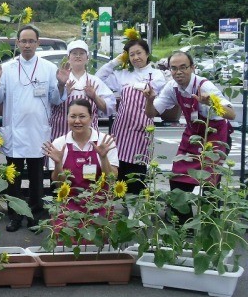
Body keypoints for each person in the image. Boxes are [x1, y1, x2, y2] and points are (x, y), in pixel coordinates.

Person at [0, 24, 70, 231]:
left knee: (36, 178)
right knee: (12, 179)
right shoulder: (6, 68)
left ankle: (35, 214)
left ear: (37, 43)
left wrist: (61, 84)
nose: (27, 45)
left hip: (36, 132)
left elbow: (56, 99)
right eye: (23, 41)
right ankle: (15, 216)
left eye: (31, 41)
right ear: (17, 43)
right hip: (14, 131)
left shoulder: (49, 69)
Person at [145, 51, 235, 218]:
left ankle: (210, 224)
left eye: (183, 67)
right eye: (174, 68)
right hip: (193, 135)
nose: (178, 72)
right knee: (178, 177)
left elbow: (231, 114)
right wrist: (149, 99)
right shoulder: (172, 87)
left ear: (193, 68)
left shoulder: (205, 86)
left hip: (215, 135)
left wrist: (212, 103)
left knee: (210, 182)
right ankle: (181, 224)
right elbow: (151, 113)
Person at [96, 37, 166, 194]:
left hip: (142, 130)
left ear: (147, 53)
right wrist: (116, 61)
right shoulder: (123, 74)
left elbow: (155, 100)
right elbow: (98, 78)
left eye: (139, 53)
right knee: (117, 166)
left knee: (137, 170)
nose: (136, 57)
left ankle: (135, 208)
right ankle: (118, 205)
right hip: (121, 128)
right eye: (131, 54)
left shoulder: (156, 75)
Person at [42, 98, 118, 233]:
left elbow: (112, 180)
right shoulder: (59, 144)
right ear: (67, 118)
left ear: (91, 117)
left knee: (98, 247)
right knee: (66, 246)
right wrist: (58, 163)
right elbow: (59, 185)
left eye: (82, 116)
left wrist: (103, 157)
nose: (77, 121)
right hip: (68, 206)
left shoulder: (104, 142)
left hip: (99, 205)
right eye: (73, 116)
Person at [49, 40, 115, 141]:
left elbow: (108, 108)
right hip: (61, 134)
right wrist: (61, 86)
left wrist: (94, 96)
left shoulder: (95, 81)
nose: (78, 56)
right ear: (68, 58)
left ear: (87, 58)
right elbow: (51, 101)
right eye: (74, 53)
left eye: (82, 54)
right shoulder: (60, 78)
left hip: (89, 136)